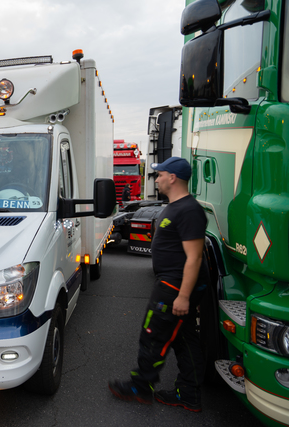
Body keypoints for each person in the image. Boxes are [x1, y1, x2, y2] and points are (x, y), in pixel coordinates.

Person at [108, 157, 209, 412]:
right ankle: (188, 394)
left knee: (153, 336)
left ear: (173, 177)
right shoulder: (176, 206)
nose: (158, 178)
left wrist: (184, 296)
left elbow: (195, 257)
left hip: (174, 286)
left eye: (160, 174)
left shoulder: (188, 210)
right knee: (184, 339)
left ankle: (140, 387)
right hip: (173, 283)